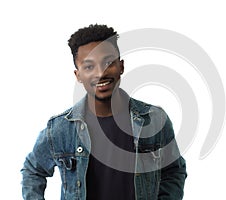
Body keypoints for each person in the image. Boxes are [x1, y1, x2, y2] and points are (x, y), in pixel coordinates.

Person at [21, 24, 187, 200]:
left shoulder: (154, 119)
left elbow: (173, 170)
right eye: (89, 67)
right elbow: (33, 171)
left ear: (121, 66)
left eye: (108, 63)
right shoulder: (60, 128)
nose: (100, 73)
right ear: (78, 75)